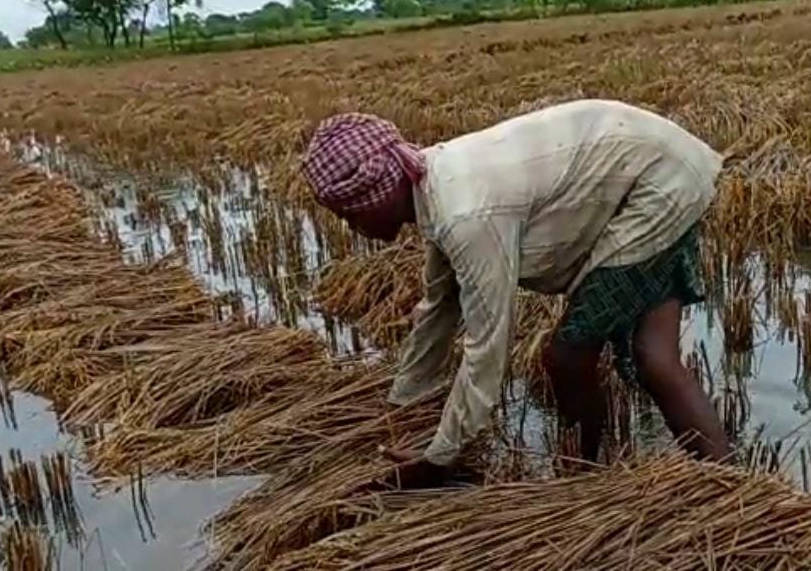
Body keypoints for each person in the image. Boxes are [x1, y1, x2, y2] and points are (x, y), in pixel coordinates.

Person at [301, 99, 732, 488]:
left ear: (378, 193)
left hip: (658, 182)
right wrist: (400, 404)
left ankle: (585, 477)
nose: (352, 227)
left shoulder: (465, 214)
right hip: (659, 163)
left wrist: (439, 458)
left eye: (351, 214)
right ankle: (727, 484)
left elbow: (487, 347)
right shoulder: (435, 183)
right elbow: (439, 307)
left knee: (567, 357)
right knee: (654, 355)